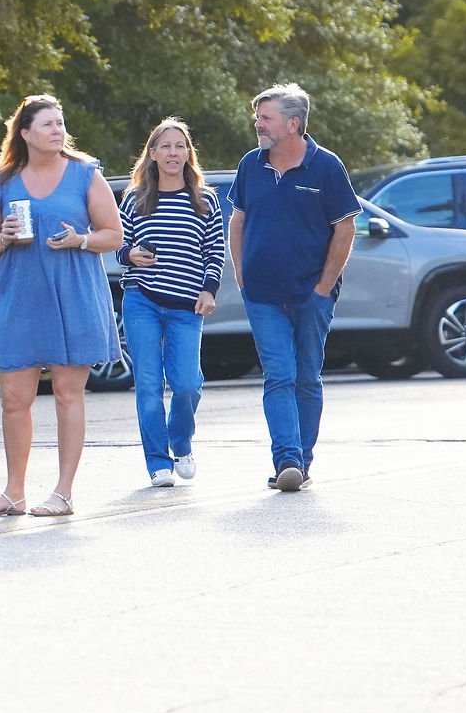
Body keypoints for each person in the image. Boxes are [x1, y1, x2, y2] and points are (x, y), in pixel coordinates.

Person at [0, 95, 122, 518]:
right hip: (20, 294)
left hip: (73, 292)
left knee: (67, 393)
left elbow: (114, 234)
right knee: (14, 398)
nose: (57, 130)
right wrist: (2, 237)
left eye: (60, 122)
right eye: (48, 124)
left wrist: (82, 240)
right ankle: (13, 492)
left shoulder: (84, 174)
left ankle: (63, 492)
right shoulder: (1, 179)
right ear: (25, 133)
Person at [229, 83, 360, 492]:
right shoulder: (251, 164)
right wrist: (242, 274)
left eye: (265, 117)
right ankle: (286, 459)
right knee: (278, 375)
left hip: (311, 294)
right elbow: (238, 220)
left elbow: (345, 228)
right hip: (263, 294)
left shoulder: (327, 166)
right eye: (258, 117)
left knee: (306, 377)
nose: (257, 124)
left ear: (292, 123)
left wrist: (324, 286)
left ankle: (302, 461)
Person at [118, 118, 223, 488]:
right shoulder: (135, 197)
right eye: (165, 146)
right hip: (141, 300)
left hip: (187, 306)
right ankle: (157, 462)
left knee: (187, 384)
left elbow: (215, 251)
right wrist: (130, 254)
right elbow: (118, 243)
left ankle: (180, 440)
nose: (173, 152)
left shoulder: (205, 199)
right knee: (148, 384)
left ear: (188, 153)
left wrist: (209, 289)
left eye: (180, 146)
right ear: (152, 153)